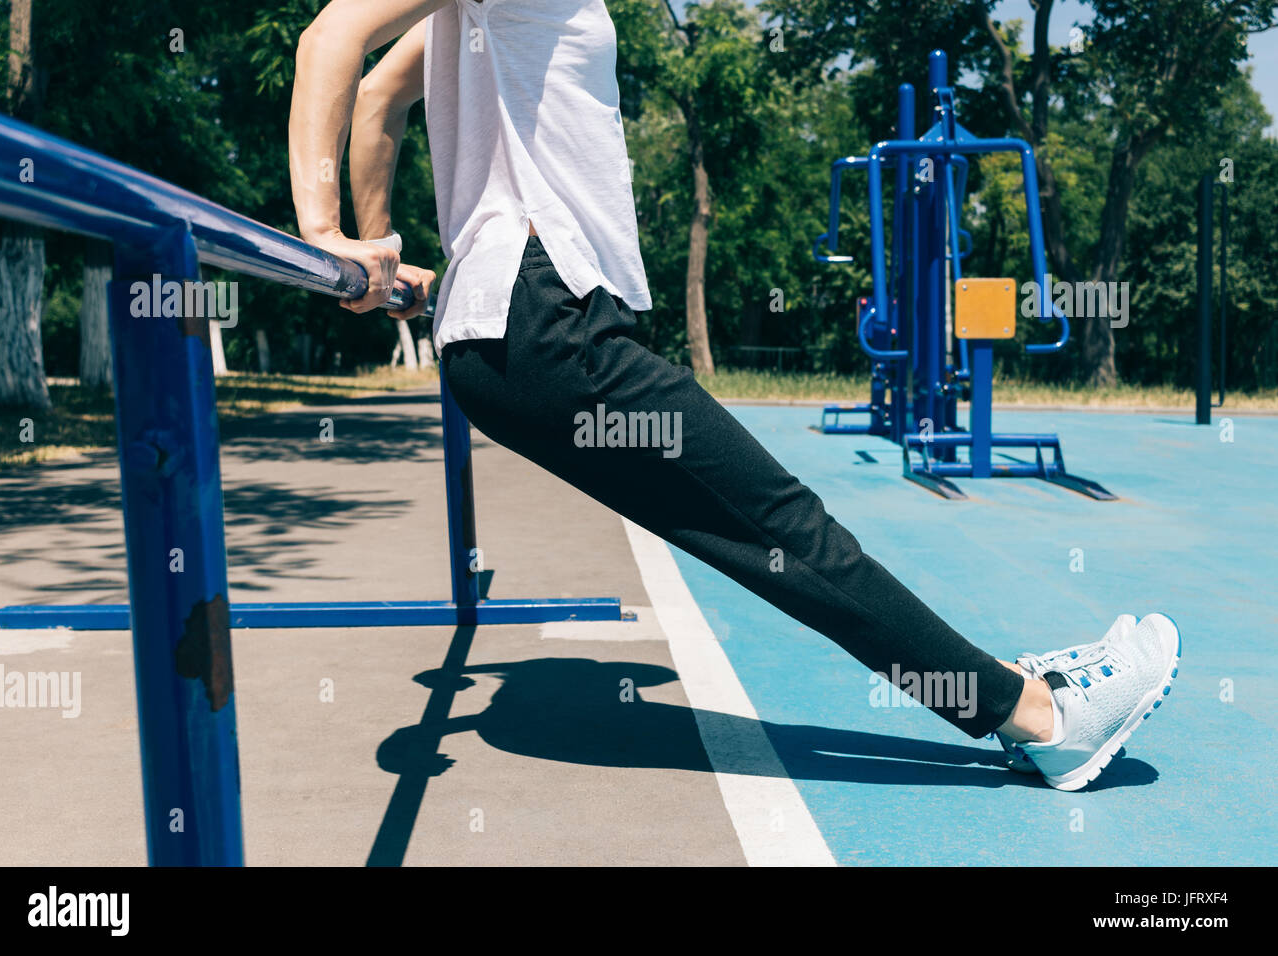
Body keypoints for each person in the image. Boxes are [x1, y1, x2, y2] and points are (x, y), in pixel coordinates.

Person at [287, 0, 1180, 792]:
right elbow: (332, 38)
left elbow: (379, 100)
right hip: (545, 322)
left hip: (510, 334)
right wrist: (329, 234)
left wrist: (383, 248)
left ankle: (1011, 700)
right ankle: (1044, 719)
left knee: (774, 537)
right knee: (787, 529)